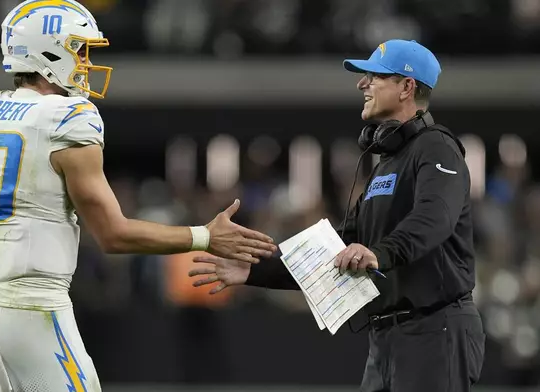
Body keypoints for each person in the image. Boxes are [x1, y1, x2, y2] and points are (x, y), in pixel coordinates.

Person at [0, 1, 276, 390]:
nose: (84, 61)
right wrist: (206, 237)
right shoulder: (67, 119)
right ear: (48, 50)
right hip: (33, 311)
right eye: (78, 49)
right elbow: (113, 235)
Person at [189, 39, 486, 391]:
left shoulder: (437, 147)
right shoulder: (386, 163)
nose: (362, 84)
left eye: (375, 76)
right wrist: (254, 268)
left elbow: (435, 218)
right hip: (388, 337)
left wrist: (379, 253)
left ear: (407, 87)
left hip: (436, 329)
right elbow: (337, 247)